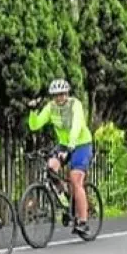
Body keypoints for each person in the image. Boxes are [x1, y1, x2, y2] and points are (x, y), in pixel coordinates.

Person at [26, 79, 94, 238]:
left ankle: (83, 221)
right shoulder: (51, 108)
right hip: (64, 144)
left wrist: (71, 146)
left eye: (62, 94)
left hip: (81, 143)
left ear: (67, 94)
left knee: (76, 179)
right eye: (56, 95)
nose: (59, 98)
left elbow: (77, 125)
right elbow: (35, 125)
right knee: (51, 167)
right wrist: (33, 111)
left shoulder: (75, 105)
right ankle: (66, 201)